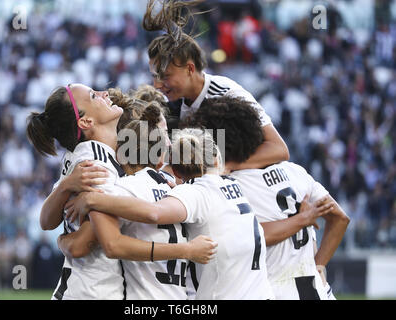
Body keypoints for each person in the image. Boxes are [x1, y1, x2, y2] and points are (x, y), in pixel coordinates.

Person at [65, 128, 331, 300]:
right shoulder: (235, 187)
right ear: (216, 159)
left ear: (178, 170)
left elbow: (155, 214)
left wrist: (95, 198)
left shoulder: (196, 194)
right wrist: (301, 221)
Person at [26, 84, 215, 300]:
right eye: (93, 95)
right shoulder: (97, 164)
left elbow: (47, 223)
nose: (103, 93)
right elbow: (84, 245)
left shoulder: (81, 155)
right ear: (86, 121)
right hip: (94, 293)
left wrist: (63, 233)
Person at [186, 96, 350, 300]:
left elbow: (253, 234)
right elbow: (340, 218)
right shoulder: (295, 171)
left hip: (271, 289)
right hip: (316, 290)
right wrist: (319, 264)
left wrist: (299, 221)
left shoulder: (229, 185)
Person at [142, 0, 289, 169]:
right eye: (154, 76)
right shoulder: (172, 103)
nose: (157, 85)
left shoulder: (229, 94)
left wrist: (222, 168)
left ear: (189, 69)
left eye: (165, 76)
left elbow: (279, 149)